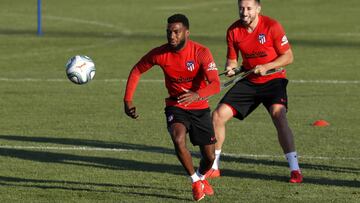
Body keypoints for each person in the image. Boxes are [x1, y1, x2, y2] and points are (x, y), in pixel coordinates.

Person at [123, 14, 221, 201]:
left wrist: (197, 94)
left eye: (176, 32)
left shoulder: (201, 52)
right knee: (178, 138)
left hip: (200, 108)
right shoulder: (160, 53)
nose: (172, 36)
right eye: (169, 32)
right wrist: (128, 100)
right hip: (175, 105)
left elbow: (215, 84)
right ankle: (194, 181)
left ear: (186, 33)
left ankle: (201, 177)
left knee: (209, 157)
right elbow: (137, 70)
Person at [206, 0, 303, 183]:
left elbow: (288, 56)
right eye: (241, 8)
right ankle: (214, 167)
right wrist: (231, 68)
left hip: (274, 79)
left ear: (258, 9)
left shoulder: (272, 26)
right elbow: (233, 60)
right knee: (218, 116)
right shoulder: (233, 31)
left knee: (278, 114)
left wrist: (268, 66)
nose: (244, 12)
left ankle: (295, 170)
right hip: (250, 81)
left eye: (249, 8)